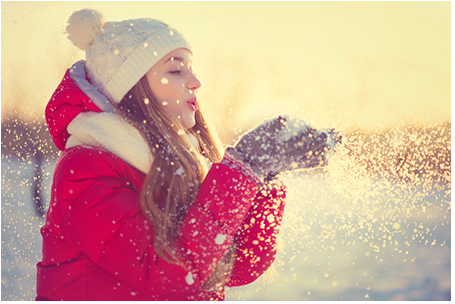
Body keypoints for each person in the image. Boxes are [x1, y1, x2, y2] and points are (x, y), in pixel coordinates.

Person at [36, 9, 341, 301]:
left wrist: (264, 177)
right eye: (176, 69)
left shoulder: (182, 166)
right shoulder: (85, 170)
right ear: (131, 86)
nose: (195, 81)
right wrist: (244, 166)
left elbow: (239, 266)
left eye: (191, 69)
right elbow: (171, 273)